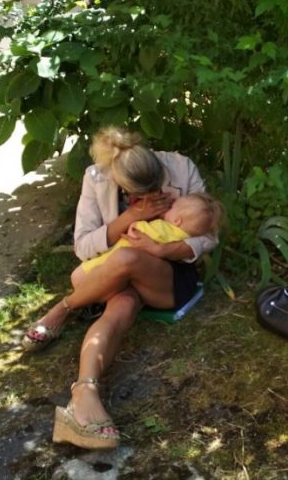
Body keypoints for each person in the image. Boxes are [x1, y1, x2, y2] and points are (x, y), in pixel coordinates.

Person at [22, 126, 219, 449]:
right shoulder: (96, 178)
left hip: (165, 275)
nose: (148, 197)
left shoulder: (181, 167)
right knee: (122, 305)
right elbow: (83, 247)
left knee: (126, 258)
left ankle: (64, 308)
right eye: (136, 194)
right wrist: (129, 218)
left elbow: (209, 236)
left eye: (155, 189)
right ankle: (83, 397)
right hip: (114, 274)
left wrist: (159, 249)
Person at [80, 192, 222, 273]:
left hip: (120, 258)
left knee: (93, 268)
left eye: (172, 207)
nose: (168, 208)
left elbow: (140, 230)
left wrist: (134, 221)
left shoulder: (164, 227)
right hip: (151, 270)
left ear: (177, 221)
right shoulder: (185, 235)